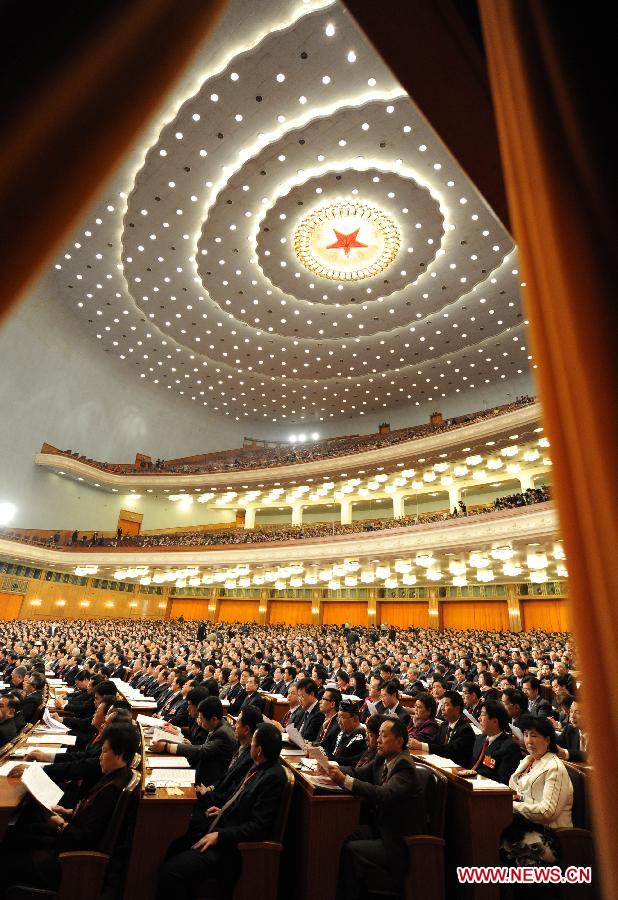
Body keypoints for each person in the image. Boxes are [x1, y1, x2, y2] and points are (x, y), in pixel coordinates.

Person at [0, 723, 139, 893]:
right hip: (66, 840)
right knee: (17, 833)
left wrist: (61, 824)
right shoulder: (115, 777)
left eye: (104, 751)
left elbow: (86, 838)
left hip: (68, 860)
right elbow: (92, 818)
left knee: (7, 856)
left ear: (121, 754)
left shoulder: (111, 789)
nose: (100, 757)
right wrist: (68, 812)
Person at [156, 724, 287, 899]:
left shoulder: (273, 777)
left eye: (253, 743)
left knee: (170, 872)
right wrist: (223, 810)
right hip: (221, 824)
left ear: (259, 750)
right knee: (170, 846)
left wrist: (219, 836)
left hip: (229, 848)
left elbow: (258, 826)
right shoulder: (259, 766)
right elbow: (242, 801)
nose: (251, 746)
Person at [328, 718, 425, 900]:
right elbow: (359, 773)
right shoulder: (383, 758)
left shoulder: (404, 766)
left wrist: (345, 781)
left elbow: (383, 794)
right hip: (380, 828)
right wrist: (330, 768)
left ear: (399, 741)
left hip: (397, 840)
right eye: (378, 734)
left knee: (352, 850)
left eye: (384, 735)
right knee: (342, 836)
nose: (378, 740)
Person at [501, 716, 573, 868]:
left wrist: (511, 806)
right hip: (526, 825)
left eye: (534, 736)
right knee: (490, 833)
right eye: (526, 735)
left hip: (552, 836)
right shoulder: (529, 760)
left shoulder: (554, 768)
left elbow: (548, 812)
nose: (529, 741)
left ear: (547, 740)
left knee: (498, 841)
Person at [151, 696, 237, 788]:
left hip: (208, 782)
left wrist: (167, 747)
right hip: (201, 769)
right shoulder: (218, 724)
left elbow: (202, 751)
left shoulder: (223, 733)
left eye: (201, 718)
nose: (199, 722)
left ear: (213, 719)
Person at [408, 691, 475, 766]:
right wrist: (416, 742)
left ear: (457, 709)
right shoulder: (444, 725)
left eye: (446, 705)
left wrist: (421, 745)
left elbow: (449, 749)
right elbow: (433, 741)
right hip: (441, 766)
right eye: (442, 705)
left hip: (457, 771)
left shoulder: (465, 729)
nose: (442, 708)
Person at [470, 700, 522, 785]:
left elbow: (503, 782)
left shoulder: (509, 747)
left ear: (495, 721)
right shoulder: (480, 739)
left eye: (482, 714)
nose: (479, 718)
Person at [331, 700, 367, 766]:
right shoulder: (343, 732)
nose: (339, 722)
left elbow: (348, 761)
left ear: (355, 719)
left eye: (342, 717)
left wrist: (327, 758)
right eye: (338, 717)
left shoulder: (361, 739)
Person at [297, 677, 325, 742]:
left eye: (302, 696)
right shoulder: (305, 709)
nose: (299, 700)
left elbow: (308, 738)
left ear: (312, 694)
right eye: (298, 696)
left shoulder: (319, 714)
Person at [317, 687, 341, 756]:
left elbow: (330, 751)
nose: (320, 702)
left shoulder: (338, 725)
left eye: (323, 699)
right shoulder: (324, 719)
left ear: (332, 704)